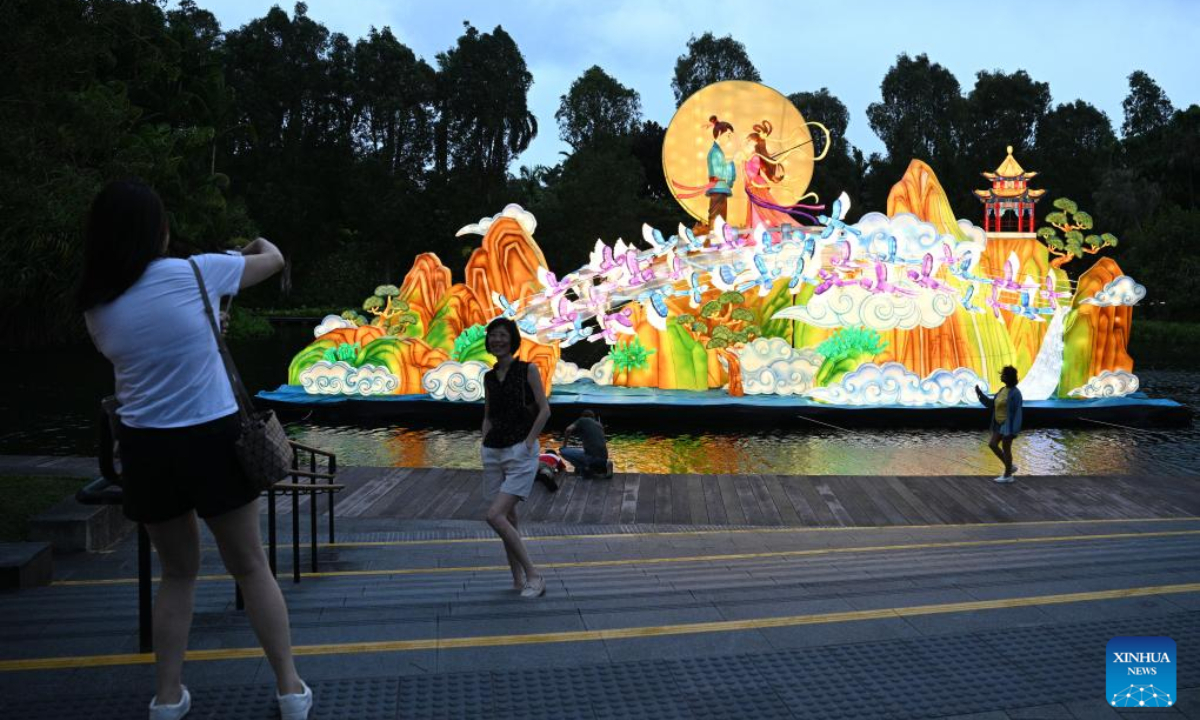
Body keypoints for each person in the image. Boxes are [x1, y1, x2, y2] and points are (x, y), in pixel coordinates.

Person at [77, 179, 312, 720]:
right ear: (156, 230)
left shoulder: (95, 305)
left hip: (145, 450)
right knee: (252, 567)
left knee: (177, 574)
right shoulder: (193, 272)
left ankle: (166, 698)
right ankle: (290, 689)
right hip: (212, 437)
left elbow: (148, 355)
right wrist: (247, 241)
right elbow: (273, 259)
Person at [481, 317, 551, 598]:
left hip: (520, 452)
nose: (497, 340)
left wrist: (528, 443)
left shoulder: (526, 370)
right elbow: (488, 414)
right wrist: (484, 441)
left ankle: (535, 576)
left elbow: (545, 410)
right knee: (509, 517)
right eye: (492, 336)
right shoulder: (489, 376)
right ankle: (517, 579)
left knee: (494, 515)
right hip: (494, 451)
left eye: (502, 335)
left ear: (512, 338)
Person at [975, 365, 1024, 483]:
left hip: (1008, 425)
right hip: (999, 423)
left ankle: (1008, 475)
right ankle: (1010, 466)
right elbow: (992, 404)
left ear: (1009, 377)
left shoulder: (1015, 393)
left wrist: (1014, 431)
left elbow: (1018, 413)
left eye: (1003, 374)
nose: (1001, 376)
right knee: (992, 444)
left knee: (1006, 448)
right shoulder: (1002, 390)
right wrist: (980, 394)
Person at [559, 410, 611, 479]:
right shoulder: (599, 425)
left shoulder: (582, 420)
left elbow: (568, 429)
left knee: (563, 451)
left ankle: (585, 471)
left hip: (592, 458)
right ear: (593, 417)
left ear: (583, 416)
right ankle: (601, 467)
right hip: (604, 458)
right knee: (584, 452)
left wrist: (564, 444)